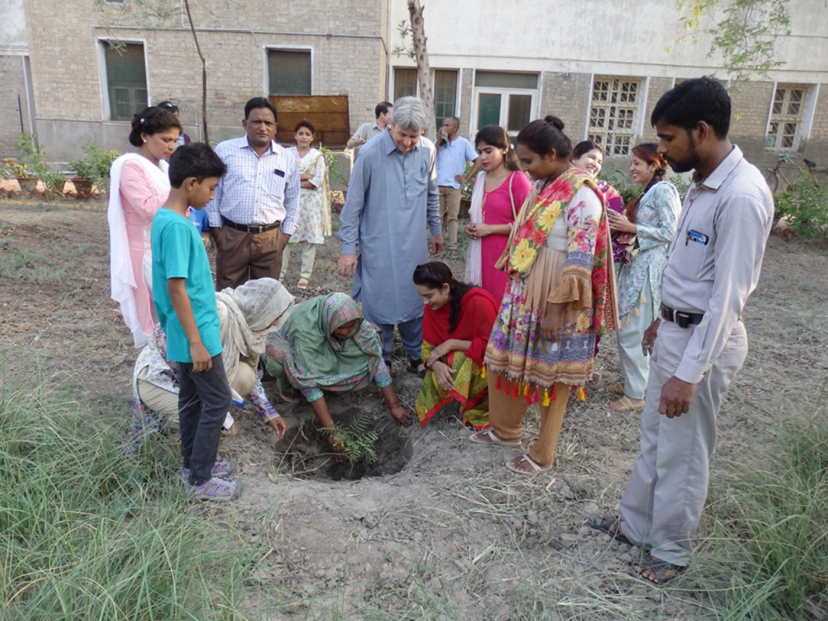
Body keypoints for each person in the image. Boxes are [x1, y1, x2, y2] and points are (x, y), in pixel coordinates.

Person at [590, 77, 774, 585]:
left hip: (704, 344)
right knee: (654, 438)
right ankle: (635, 525)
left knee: (684, 451)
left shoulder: (740, 195)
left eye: (669, 139)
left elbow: (727, 298)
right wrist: (660, 318)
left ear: (702, 129)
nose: (664, 150)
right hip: (674, 330)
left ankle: (670, 551)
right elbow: (689, 267)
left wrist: (690, 372)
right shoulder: (701, 185)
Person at [470, 115, 618, 474]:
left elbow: (581, 258)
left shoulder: (583, 194)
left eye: (531, 161)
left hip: (558, 300)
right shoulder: (545, 185)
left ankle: (543, 452)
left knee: (553, 376)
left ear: (552, 154)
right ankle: (506, 430)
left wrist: (556, 311)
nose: (527, 170)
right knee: (502, 358)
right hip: (525, 291)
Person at [150, 142, 241, 501]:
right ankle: (200, 480)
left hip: (184, 332)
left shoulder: (167, 219)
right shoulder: (177, 228)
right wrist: (196, 341)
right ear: (191, 183)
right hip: (196, 334)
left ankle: (191, 463)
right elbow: (176, 288)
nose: (212, 195)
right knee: (217, 401)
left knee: (192, 401)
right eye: (212, 188)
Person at [337, 96, 443, 374]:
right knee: (378, 299)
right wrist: (348, 249)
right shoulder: (370, 154)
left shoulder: (428, 150)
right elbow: (353, 206)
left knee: (415, 295)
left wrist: (436, 229)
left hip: (414, 245)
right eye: (402, 135)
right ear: (389, 125)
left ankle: (415, 354)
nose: (408, 142)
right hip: (378, 243)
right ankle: (380, 356)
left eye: (414, 136)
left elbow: (432, 194)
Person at [128, 277, 294, 449]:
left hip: (198, 379)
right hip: (160, 379)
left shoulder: (252, 327)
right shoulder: (218, 315)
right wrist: (221, 418)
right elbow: (190, 370)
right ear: (261, 310)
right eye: (276, 316)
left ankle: (200, 422)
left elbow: (250, 370)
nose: (276, 323)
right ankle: (187, 450)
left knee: (245, 375)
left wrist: (268, 413)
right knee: (200, 416)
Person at [263, 293, 412, 461]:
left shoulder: (354, 323)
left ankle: (329, 381)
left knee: (365, 344)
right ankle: (300, 387)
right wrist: (331, 432)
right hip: (296, 342)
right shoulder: (305, 332)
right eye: (341, 328)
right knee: (280, 366)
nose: (347, 331)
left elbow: (375, 358)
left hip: (325, 344)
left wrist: (394, 405)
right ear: (330, 324)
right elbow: (307, 379)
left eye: (351, 327)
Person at [603, 144, 681, 413]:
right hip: (636, 266)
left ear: (654, 165)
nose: (632, 168)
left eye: (637, 163)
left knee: (633, 329)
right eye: (632, 163)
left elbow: (672, 231)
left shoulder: (664, 191)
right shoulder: (649, 192)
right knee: (629, 327)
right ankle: (633, 381)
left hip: (648, 272)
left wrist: (630, 227)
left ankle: (636, 394)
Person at [206, 97, 300, 290]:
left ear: (276, 127)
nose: (262, 127)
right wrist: (218, 233)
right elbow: (212, 192)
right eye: (257, 121)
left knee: (266, 299)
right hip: (231, 236)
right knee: (228, 295)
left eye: (268, 123)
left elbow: (293, 200)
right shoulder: (225, 151)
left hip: (270, 239)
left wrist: (284, 237)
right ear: (245, 123)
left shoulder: (286, 158)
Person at [108, 106, 181, 347]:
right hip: (143, 250)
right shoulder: (130, 165)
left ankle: (173, 356)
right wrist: (181, 191)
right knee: (156, 304)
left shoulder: (166, 169)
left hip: (165, 245)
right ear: (145, 136)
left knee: (173, 304)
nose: (171, 146)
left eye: (175, 140)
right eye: (165, 140)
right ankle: (155, 357)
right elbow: (147, 207)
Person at [413, 262, 499, 429]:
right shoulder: (433, 308)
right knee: (442, 360)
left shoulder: (478, 301)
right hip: (461, 361)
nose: (424, 302)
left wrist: (452, 344)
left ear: (445, 288)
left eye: (429, 296)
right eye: (421, 296)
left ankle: (477, 405)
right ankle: (456, 403)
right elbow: (427, 349)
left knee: (458, 358)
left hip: (490, 367)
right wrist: (436, 365)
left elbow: (496, 349)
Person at [464, 125, 532, 305]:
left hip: (505, 257)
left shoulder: (517, 180)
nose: (483, 157)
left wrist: (491, 229)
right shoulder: (480, 179)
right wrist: (470, 227)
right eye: (479, 152)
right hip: (480, 254)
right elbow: (477, 215)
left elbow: (530, 224)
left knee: (501, 305)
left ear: (503, 149)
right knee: (481, 304)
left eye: (488, 151)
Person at [281, 120, 330, 290]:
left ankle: (304, 276)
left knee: (309, 240)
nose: (303, 137)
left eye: (307, 134)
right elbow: (283, 177)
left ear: (312, 137)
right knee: (285, 237)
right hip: (289, 201)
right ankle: (280, 274)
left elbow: (317, 180)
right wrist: (304, 176)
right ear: (295, 136)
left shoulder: (317, 156)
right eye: (300, 133)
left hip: (310, 204)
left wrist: (296, 179)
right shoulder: (286, 154)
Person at [570, 141, 628, 263]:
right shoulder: (561, 185)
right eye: (591, 157)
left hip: (593, 255)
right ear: (574, 158)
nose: (595, 164)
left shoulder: (607, 192)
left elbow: (617, 223)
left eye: (599, 162)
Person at [436, 116, 480, 251]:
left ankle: (452, 246)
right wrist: (438, 140)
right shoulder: (439, 142)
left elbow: (477, 160)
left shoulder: (463, 143)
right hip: (437, 185)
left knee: (452, 217)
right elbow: (430, 156)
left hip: (454, 187)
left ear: (455, 128)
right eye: (443, 125)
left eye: (447, 125)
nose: (444, 127)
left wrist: (466, 177)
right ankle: (437, 244)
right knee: (437, 216)